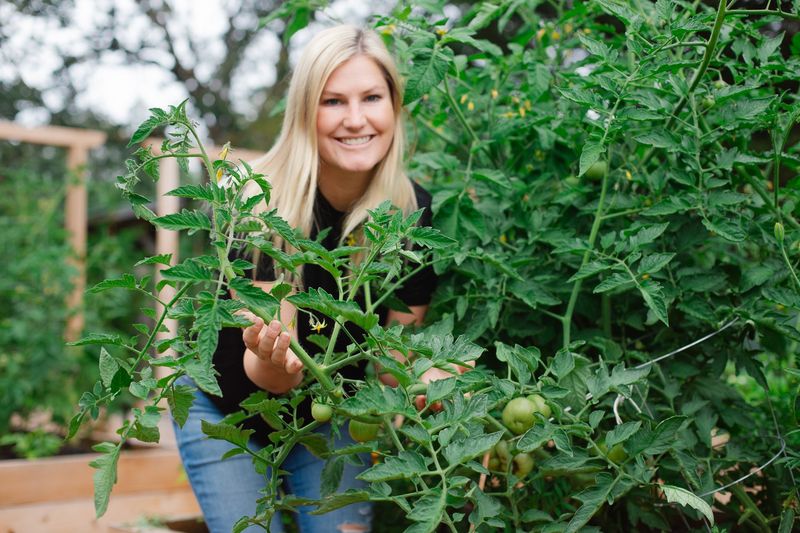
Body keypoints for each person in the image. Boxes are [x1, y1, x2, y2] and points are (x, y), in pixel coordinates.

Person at [172, 25, 443, 533]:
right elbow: (275, 375)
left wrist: (434, 383)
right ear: (305, 112)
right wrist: (278, 356)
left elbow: (391, 360)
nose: (356, 119)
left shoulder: (411, 211)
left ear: (395, 106)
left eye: (371, 98)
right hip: (227, 410)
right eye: (333, 101)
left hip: (329, 412)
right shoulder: (256, 203)